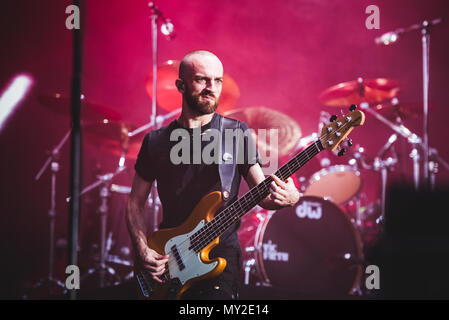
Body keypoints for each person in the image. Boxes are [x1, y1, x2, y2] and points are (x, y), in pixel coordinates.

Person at [126, 50, 300, 300]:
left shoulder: (237, 133)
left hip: (218, 261)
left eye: (217, 81)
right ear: (180, 85)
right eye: (202, 80)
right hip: (167, 260)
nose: (212, 87)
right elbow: (134, 202)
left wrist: (292, 197)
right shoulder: (156, 141)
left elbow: (262, 194)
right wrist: (142, 250)